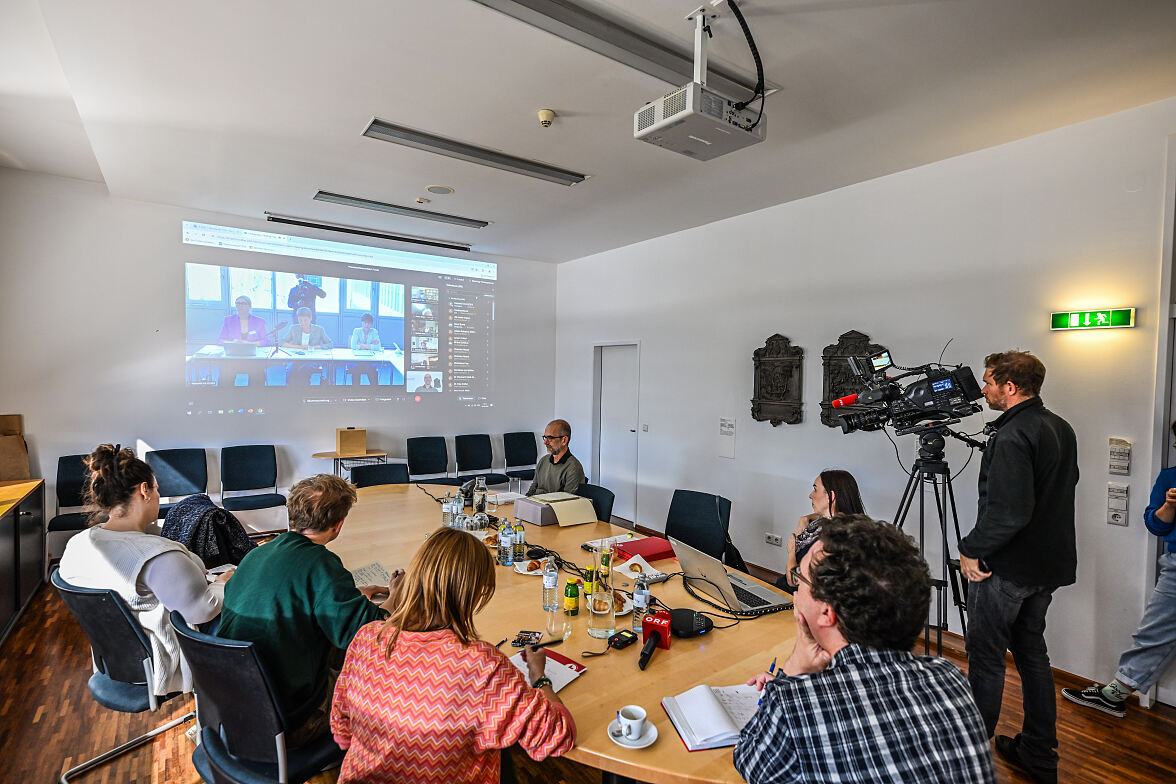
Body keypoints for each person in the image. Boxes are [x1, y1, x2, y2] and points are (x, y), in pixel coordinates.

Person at [734, 516, 994, 783]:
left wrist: (796, 667)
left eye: (800, 580)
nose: (796, 593)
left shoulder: (796, 703)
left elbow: (750, 762)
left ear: (826, 612)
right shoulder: (949, 677)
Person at [330, 527, 576, 784]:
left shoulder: (367, 638)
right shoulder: (483, 666)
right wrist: (539, 676)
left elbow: (342, 730)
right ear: (477, 594)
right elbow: (558, 736)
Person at [957, 350, 1078, 784]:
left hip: (1006, 569)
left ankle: (970, 759)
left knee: (986, 660)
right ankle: (1039, 754)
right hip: (1047, 566)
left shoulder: (1010, 436)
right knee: (1032, 656)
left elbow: (1008, 512)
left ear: (1010, 388)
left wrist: (970, 549)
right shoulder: (1059, 427)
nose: (983, 388)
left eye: (989, 381)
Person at [217, 474, 393, 747]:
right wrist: (400, 595)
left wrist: (354, 596)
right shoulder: (322, 564)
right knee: (380, 670)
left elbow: (293, 597)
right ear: (338, 525)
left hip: (235, 707)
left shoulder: (256, 554)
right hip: (291, 721)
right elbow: (370, 634)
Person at [58, 444, 230, 696]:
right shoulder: (157, 555)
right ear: (144, 491)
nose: (158, 495)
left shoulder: (77, 545)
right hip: (164, 660)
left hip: (116, 661)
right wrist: (226, 582)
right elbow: (202, 610)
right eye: (157, 489)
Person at [1062, 418, 1176, 718]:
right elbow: (1154, 524)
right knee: (1154, 632)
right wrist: (1169, 506)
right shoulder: (1170, 479)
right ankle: (1115, 694)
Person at [775, 469, 865, 592]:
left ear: (831, 496)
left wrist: (791, 551)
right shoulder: (832, 519)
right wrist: (806, 518)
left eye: (815, 489)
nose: (810, 495)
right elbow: (831, 514)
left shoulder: (834, 540)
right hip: (783, 585)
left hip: (794, 597)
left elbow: (794, 580)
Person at [216, 295, 271, 386]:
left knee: (259, 376)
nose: (240, 306)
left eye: (243, 303)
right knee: (224, 375)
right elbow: (220, 340)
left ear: (249, 306)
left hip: (253, 359)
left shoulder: (259, 321)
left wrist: (250, 344)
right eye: (238, 303)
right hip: (232, 359)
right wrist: (233, 343)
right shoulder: (229, 320)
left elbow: (266, 341)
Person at [525, 420, 586, 496]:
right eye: (545, 437)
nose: (545, 442)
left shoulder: (573, 468)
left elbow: (566, 502)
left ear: (564, 440)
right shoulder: (543, 461)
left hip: (553, 507)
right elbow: (532, 490)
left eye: (550, 438)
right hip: (537, 505)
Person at [283, 306, 333, 386]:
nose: (302, 323)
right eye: (300, 320)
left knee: (303, 371)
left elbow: (330, 344)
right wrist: (300, 347)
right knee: (291, 372)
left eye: (305, 320)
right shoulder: (293, 328)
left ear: (311, 318)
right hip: (296, 358)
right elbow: (282, 342)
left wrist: (314, 347)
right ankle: (292, 394)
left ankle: (304, 394)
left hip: (312, 359)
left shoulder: (319, 329)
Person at [349, 313, 382, 386]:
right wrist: (370, 345)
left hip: (369, 360)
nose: (367, 325)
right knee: (355, 370)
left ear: (371, 324)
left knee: (372, 369)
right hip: (357, 359)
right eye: (365, 323)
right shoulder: (356, 331)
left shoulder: (374, 332)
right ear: (362, 323)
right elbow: (353, 346)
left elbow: (378, 347)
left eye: (369, 323)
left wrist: (361, 344)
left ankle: (374, 393)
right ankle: (356, 393)